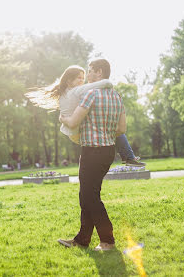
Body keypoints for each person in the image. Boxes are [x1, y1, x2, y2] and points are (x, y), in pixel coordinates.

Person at [57, 58, 125, 251]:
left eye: (90, 71)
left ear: (100, 73)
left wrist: (62, 118)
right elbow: (121, 129)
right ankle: (82, 240)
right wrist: (105, 130)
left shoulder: (90, 95)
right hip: (107, 151)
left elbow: (72, 122)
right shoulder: (117, 96)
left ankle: (107, 241)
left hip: (91, 151)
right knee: (87, 194)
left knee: (89, 196)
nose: (87, 77)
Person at [25, 65, 144, 167]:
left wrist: (63, 119)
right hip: (78, 131)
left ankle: (127, 156)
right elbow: (107, 83)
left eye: (83, 78)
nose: (82, 81)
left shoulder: (64, 93)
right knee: (113, 130)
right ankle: (129, 157)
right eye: (79, 78)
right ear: (69, 81)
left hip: (73, 132)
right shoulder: (77, 91)